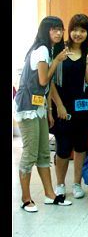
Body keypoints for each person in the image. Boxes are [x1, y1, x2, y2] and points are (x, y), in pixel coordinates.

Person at [15, 16, 72, 212]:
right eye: (54, 29)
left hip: (38, 107)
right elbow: (43, 80)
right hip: (27, 108)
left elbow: (47, 87)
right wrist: (57, 61)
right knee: (30, 153)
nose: (58, 33)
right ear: (45, 31)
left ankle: (50, 194)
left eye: (60, 29)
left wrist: (48, 111)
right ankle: (25, 199)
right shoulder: (42, 50)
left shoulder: (47, 50)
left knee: (44, 153)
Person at [49, 13, 88, 200]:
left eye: (83, 30)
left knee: (80, 146)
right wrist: (59, 106)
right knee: (63, 147)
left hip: (83, 107)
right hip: (62, 105)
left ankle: (77, 183)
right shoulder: (59, 50)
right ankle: (60, 184)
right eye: (75, 30)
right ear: (69, 31)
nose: (78, 34)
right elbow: (50, 81)